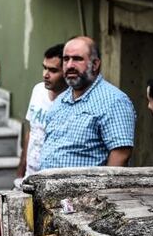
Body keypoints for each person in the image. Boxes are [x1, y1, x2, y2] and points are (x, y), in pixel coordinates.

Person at [40, 36, 135, 169]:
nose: (69, 65)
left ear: (95, 64)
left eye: (77, 59)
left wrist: (103, 190)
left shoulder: (114, 100)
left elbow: (121, 155)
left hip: (87, 189)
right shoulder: (61, 100)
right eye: (66, 59)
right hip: (46, 186)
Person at [15, 43, 67, 181]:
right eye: (44, 68)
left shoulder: (71, 101)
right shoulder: (38, 90)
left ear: (66, 72)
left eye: (53, 70)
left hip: (52, 178)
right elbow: (32, 131)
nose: (45, 74)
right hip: (30, 174)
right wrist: (21, 169)